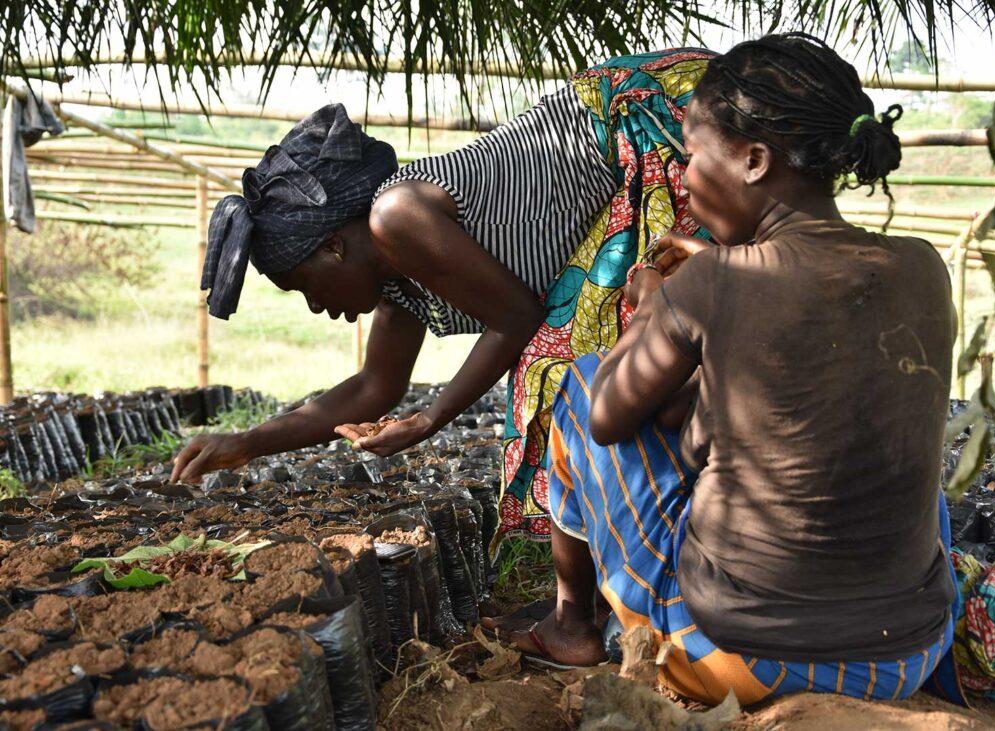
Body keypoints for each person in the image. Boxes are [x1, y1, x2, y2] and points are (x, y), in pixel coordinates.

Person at [500, 32, 964, 706]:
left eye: (692, 155)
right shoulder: (923, 266)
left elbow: (607, 417)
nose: (685, 177)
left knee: (579, 384)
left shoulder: (714, 281)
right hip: (905, 653)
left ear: (753, 159)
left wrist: (658, 306)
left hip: (743, 656)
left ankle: (572, 623)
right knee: (888, 462)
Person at [171, 46, 716, 539]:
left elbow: (517, 317)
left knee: (565, 375)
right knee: (595, 373)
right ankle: (617, 582)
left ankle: (631, 579)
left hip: (648, 121)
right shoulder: (400, 286)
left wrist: (431, 419)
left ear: (333, 246)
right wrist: (246, 442)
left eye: (305, 288)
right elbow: (372, 387)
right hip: (630, 157)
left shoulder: (396, 214)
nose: (317, 307)